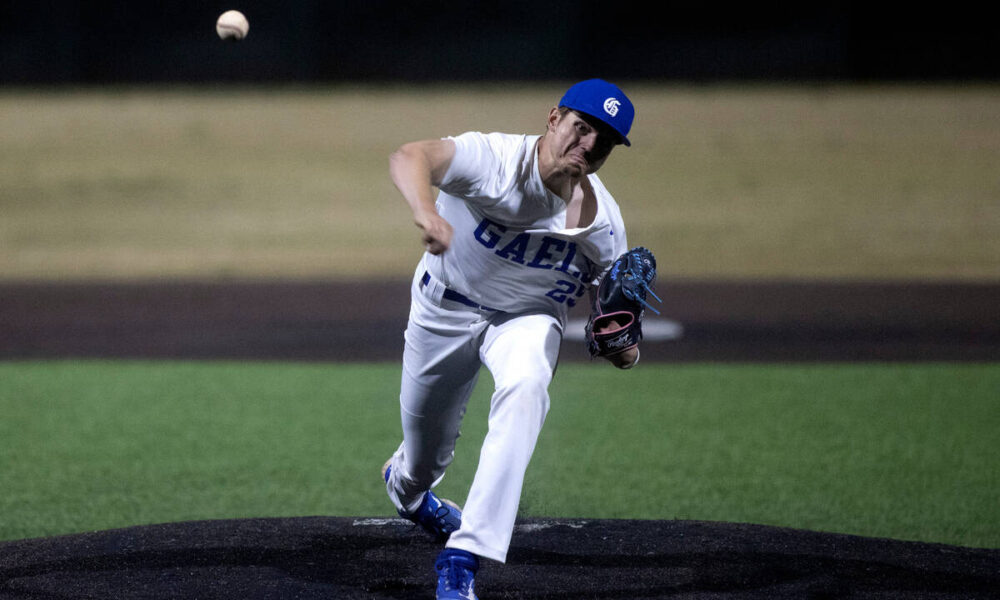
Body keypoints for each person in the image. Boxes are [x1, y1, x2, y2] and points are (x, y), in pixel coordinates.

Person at [382, 78, 640, 600]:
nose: (588, 145)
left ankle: (462, 557)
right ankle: (407, 488)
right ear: (554, 118)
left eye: (604, 141)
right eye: (582, 128)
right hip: (445, 308)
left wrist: (621, 346)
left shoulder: (605, 228)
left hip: (526, 317)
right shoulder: (495, 159)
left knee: (526, 387)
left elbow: (625, 350)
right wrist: (425, 209)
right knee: (425, 460)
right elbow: (411, 155)